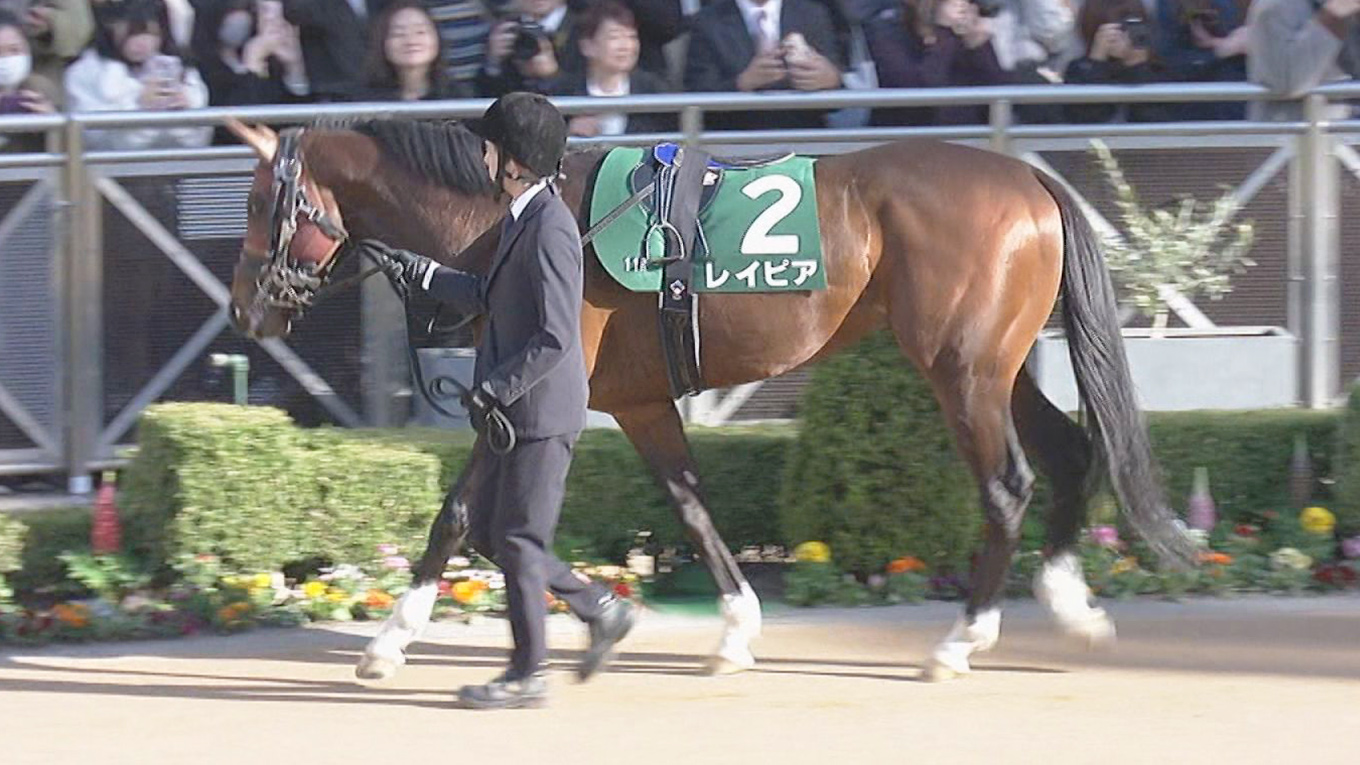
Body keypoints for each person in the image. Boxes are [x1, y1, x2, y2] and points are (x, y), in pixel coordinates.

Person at [365, 92, 635, 710]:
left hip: (540, 414)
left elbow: (556, 335)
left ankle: (527, 673)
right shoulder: (520, 217)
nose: (482, 159)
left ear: (513, 162)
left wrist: (496, 388)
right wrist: (425, 274)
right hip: (518, 410)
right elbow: (491, 293)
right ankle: (600, 609)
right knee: (491, 533)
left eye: (488, 149)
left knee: (519, 541)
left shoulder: (550, 228)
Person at [64, 0, 211, 149]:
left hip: (176, 160)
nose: (142, 43)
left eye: (152, 34)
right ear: (111, 28)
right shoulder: (85, 72)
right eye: (133, 33)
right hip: (112, 162)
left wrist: (185, 113)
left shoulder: (181, 70)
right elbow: (92, 138)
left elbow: (202, 138)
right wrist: (138, 107)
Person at [682, 0, 847, 130]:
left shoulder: (813, 14)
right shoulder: (707, 21)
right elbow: (697, 97)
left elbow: (838, 99)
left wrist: (831, 80)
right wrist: (742, 83)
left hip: (804, 139)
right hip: (736, 142)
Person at [549, 0, 674, 136]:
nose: (625, 46)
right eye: (614, 37)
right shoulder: (563, 92)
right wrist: (568, 133)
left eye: (632, 37)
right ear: (587, 46)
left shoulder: (654, 90)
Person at [1248, 0, 1360, 120]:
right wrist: (1333, 17)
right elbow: (1287, 82)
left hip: (1345, 126)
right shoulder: (1275, 6)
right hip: (1291, 127)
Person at [193, 0, 308, 110]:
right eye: (234, 10)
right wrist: (252, 65)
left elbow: (296, 113)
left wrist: (294, 68)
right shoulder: (202, 68)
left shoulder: (270, 60)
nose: (240, 18)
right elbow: (237, 117)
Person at [362, 0, 457, 100]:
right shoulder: (363, 102)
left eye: (420, 32)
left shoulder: (457, 99)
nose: (411, 41)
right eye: (399, 34)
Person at [0, 9, 60, 153]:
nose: (6, 59)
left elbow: (70, 154)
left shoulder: (40, 89)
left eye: (14, 50)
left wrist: (54, 125)